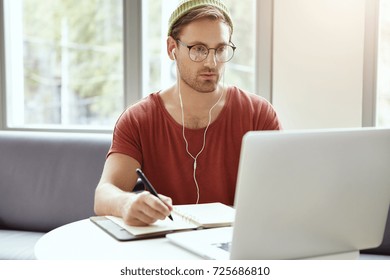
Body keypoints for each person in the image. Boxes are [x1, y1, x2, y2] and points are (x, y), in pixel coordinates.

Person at [94, 0, 282, 226]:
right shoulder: (138, 119)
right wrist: (125, 203)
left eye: (221, 49)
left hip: (234, 245)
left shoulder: (259, 113)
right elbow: (104, 194)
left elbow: (284, 189)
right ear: (172, 48)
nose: (211, 62)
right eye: (199, 49)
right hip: (166, 245)